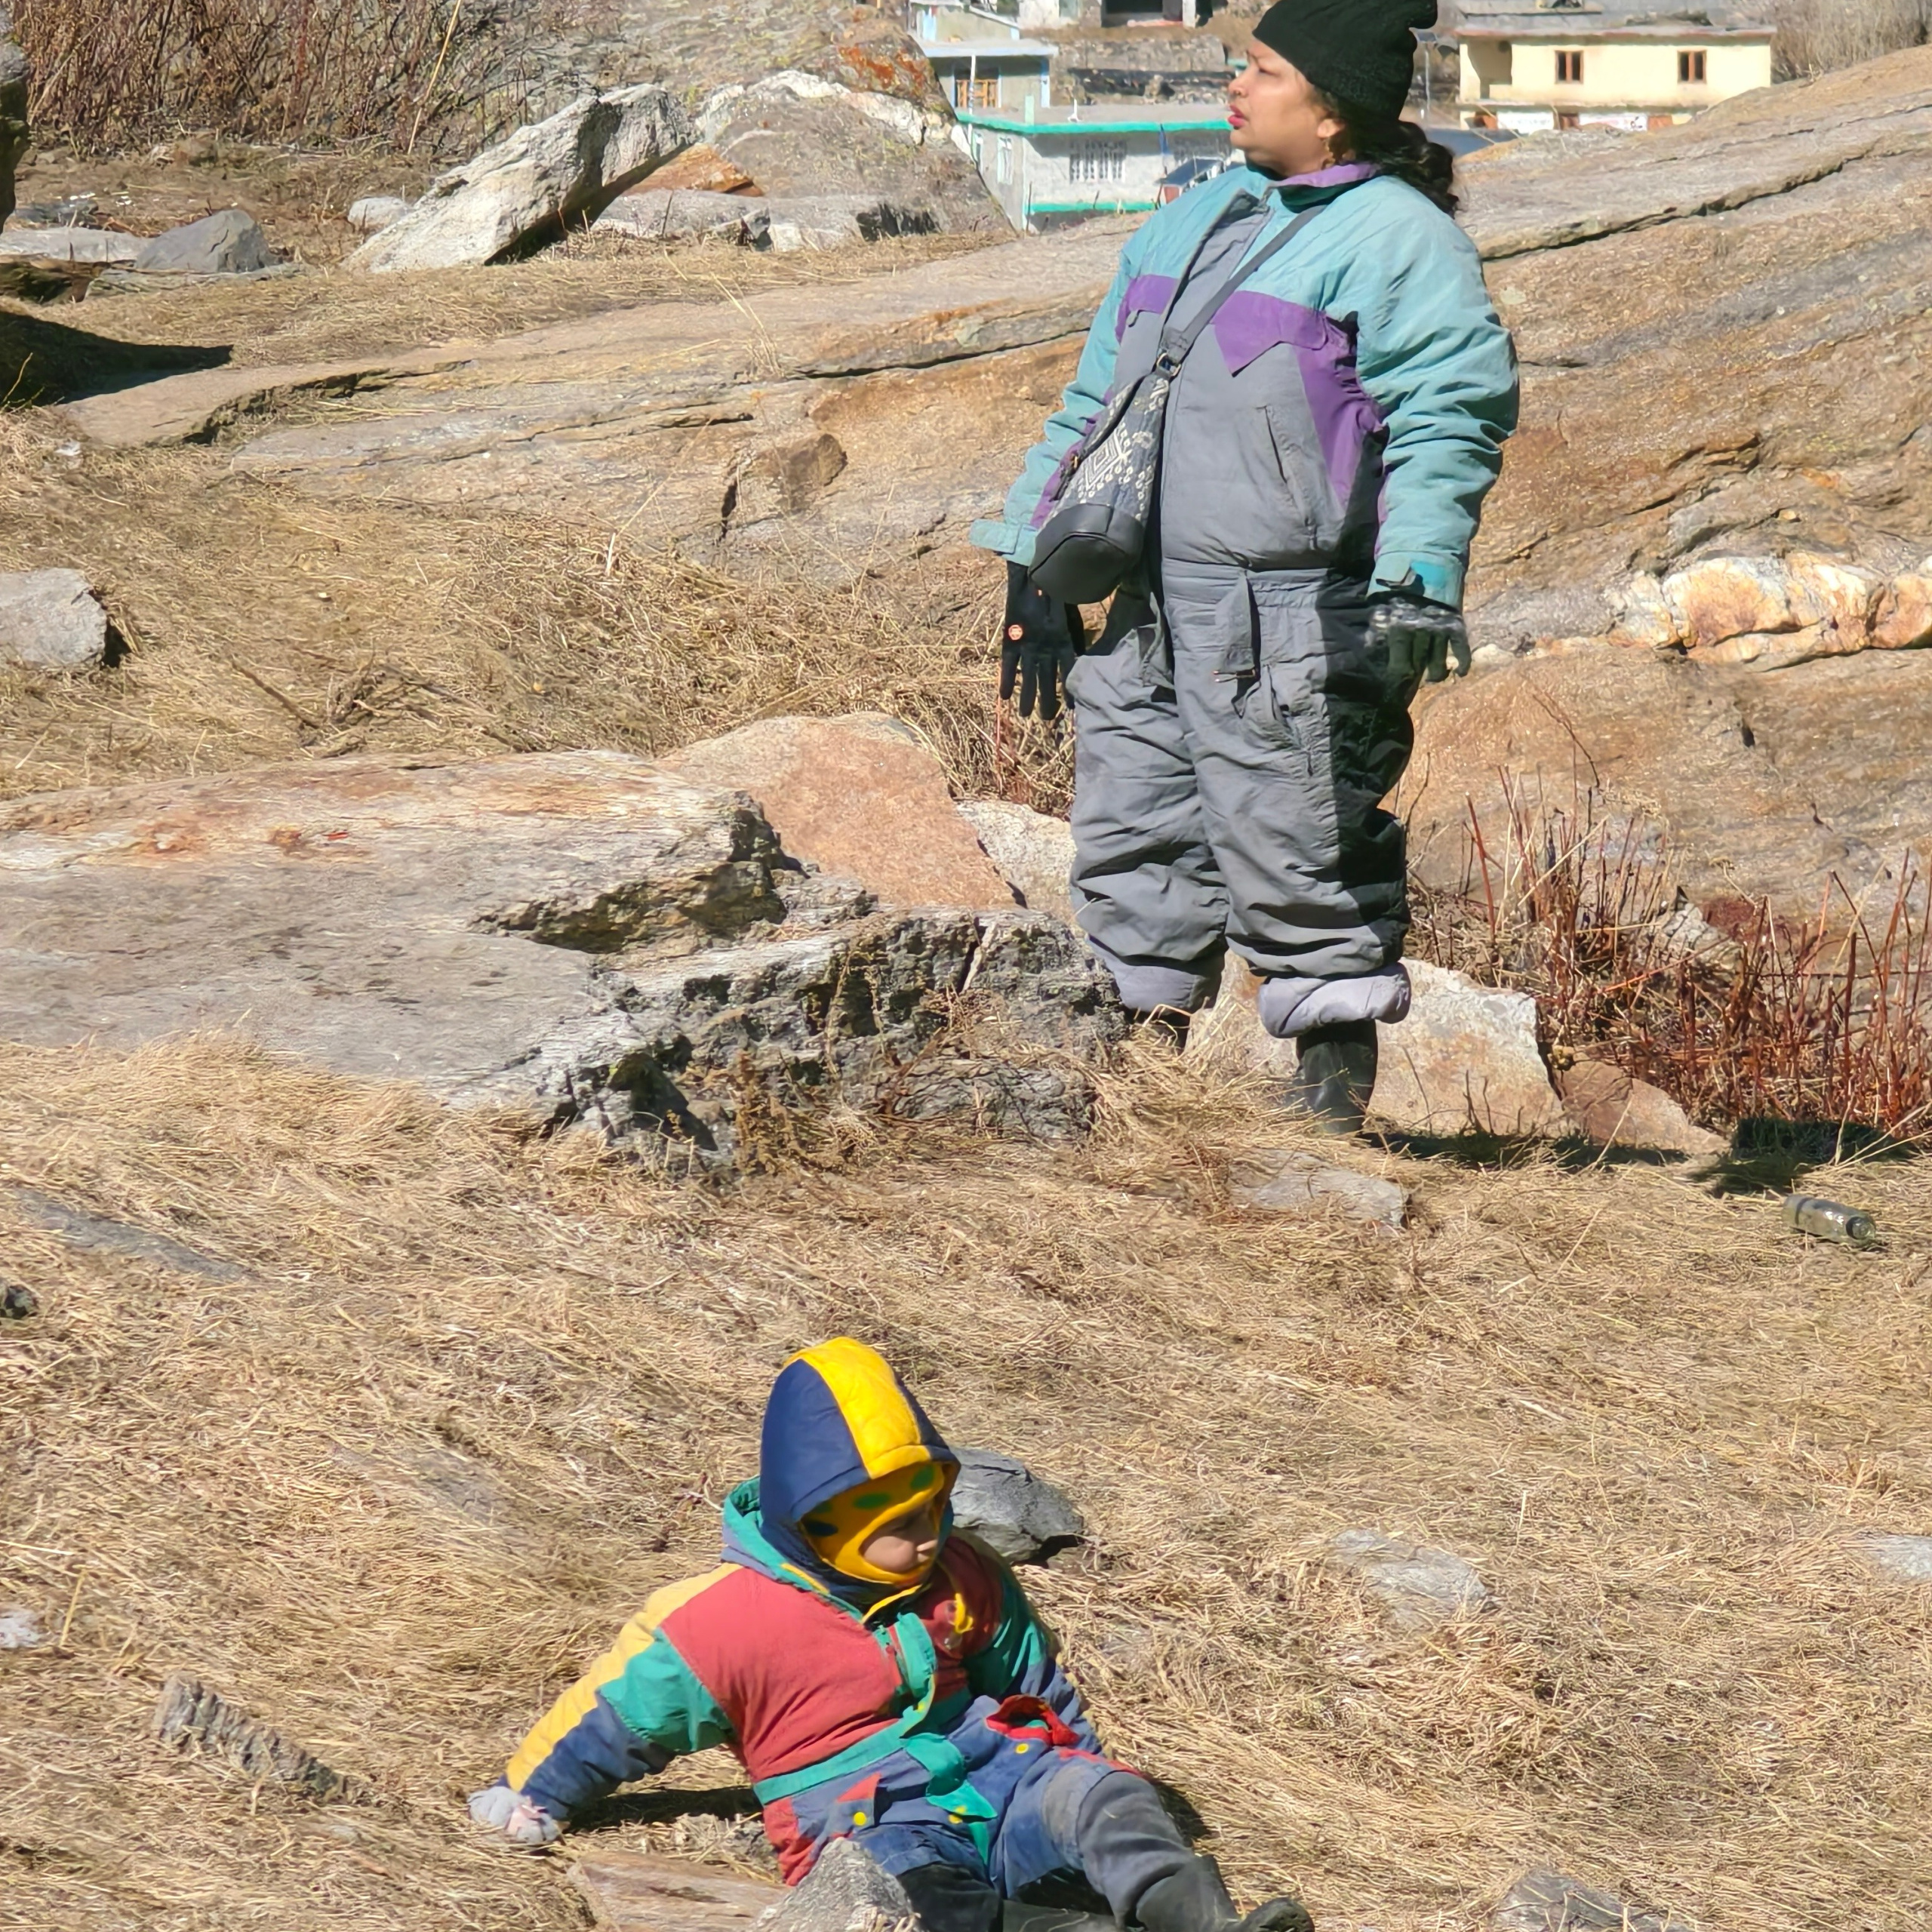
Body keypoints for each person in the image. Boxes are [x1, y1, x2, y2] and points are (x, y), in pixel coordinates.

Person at [977, 0, 1518, 1134]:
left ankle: (1328, 1134)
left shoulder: (1400, 239)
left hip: (1292, 619)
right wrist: (1034, 558)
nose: (1236, 86)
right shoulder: (1195, 217)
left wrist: (1418, 576)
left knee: (1303, 849)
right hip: (1146, 609)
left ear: (1331, 112)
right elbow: (1097, 402)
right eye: (1243, 64)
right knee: (1131, 842)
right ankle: (1131, 1114)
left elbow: (1449, 418)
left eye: (1264, 71)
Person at [469, 1337, 1315, 1932]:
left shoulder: (960, 1568)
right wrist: (532, 1793)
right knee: (920, 1906)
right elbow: (618, 1714)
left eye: (936, 1509)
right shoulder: (723, 1622)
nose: (930, 1536)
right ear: (821, 1520)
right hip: (864, 1822)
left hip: (1000, 1776)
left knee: (1108, 1800)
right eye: (901, 1524)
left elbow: (1029, 1671)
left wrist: (1080, 1767)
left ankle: (1201, 1921)